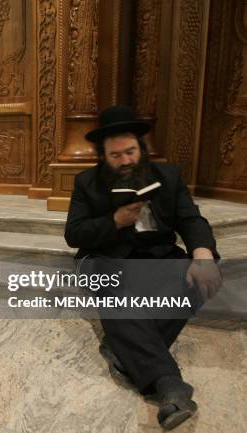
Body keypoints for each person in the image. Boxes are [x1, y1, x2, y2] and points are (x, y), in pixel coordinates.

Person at [64, 105, 222, 430]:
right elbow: (74, 234)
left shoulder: (168, 176)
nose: (125, 161)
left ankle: (123, 349)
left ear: (142, 148)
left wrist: (203, 254)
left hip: (157, 257)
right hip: (105, 257)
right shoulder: (86, 183)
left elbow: (191, 219)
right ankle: (170, 385)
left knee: (202, 276)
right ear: (103, 156)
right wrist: (114, 221)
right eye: (116, 155)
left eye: (131, 152)